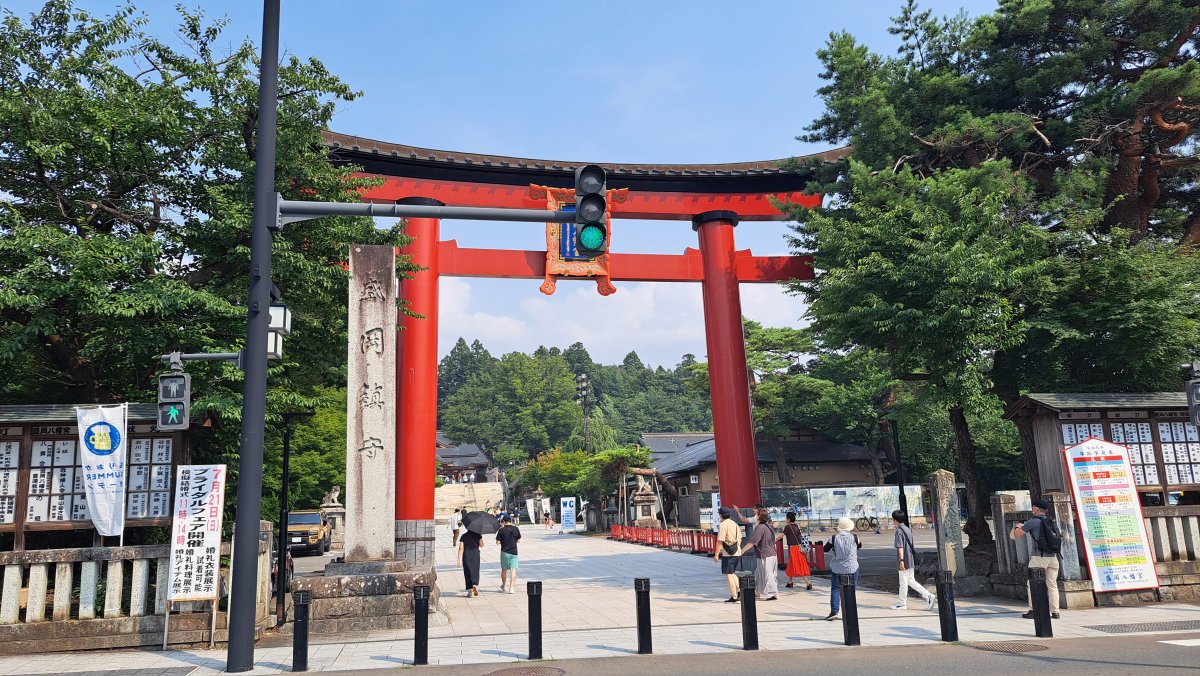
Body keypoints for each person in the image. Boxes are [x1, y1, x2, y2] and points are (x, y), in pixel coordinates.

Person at [1012, 498, 1062, 619]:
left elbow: (1017, 535)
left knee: (1033, 583)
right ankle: (1055, 611)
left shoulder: (1033, 521)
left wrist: (1017, 527)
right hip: (1054, 558)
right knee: (1052, 584)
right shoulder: (1051, 522)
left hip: (1038, 557)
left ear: (1035, 509)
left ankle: (1034, 610)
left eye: (1033, 508)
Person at [890, 510, 935, 611]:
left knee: (903, 583)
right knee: (910, 581)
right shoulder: (907, 529)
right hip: (910, 559)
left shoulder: (899, 531)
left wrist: (901, 560)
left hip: (904, 559)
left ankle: (902, 603)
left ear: (895, 519)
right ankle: (928, 595)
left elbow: (900, 547)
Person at [737, 509, 781, 601]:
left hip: (765, 554)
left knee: (767, 574)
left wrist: (742, 551)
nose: (755, 516)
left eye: (756, 514)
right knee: (761, 574)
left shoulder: (760, 527)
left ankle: (771, 593)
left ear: (759, 516)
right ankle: (760, 591)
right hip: (769, 553)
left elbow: (752, 542)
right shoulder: (768, 526)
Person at [824, 517, 862, 620]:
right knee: (852, 588)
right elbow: (859, 546)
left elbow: (825, 549)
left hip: (837, 567)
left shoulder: (833, 538)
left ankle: (834, 612)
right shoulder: (855, 537)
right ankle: (851, 612)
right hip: (852, 567)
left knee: (835, 589)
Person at [713, 507, 742, 602]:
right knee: (732, 573)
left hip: (728, 554)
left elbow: (720, 541)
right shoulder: (735, 524)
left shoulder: (723, 525)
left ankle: (734, 596)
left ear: (721, 515)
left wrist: (716, 554)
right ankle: (739, 591)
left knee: (728, 574)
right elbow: (740, 538)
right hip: (737, 551)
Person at [782, 511, 812, 590]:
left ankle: (808, 583)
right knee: (791, 564)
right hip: (798, 547)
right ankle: (790, 582)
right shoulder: (797, 526)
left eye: (786, 518)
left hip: (793, 548)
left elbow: (782, 535)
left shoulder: (787, 527)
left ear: (788, 519)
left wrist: (773, 540)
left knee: (798, 565)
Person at [496, 515, 521, 594]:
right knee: (513, 569)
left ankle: (503, 586)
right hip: (514, 551)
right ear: (511, 521)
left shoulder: (501, 530)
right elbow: (518, 539)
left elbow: (497, 542)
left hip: (504, 552)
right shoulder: (516, 529)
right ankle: (511, 588)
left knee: (504, 569)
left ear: (503, 522)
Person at [456, 527, 483, 597]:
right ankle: (474, 584)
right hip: (476, 555)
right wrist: (480, 536)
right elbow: (481, 545)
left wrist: (458, 559)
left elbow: (461, 548)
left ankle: (469, 591)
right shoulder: (478, 535)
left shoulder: (464, 536)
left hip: (466, 555)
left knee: (467, 572)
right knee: (475, 570)